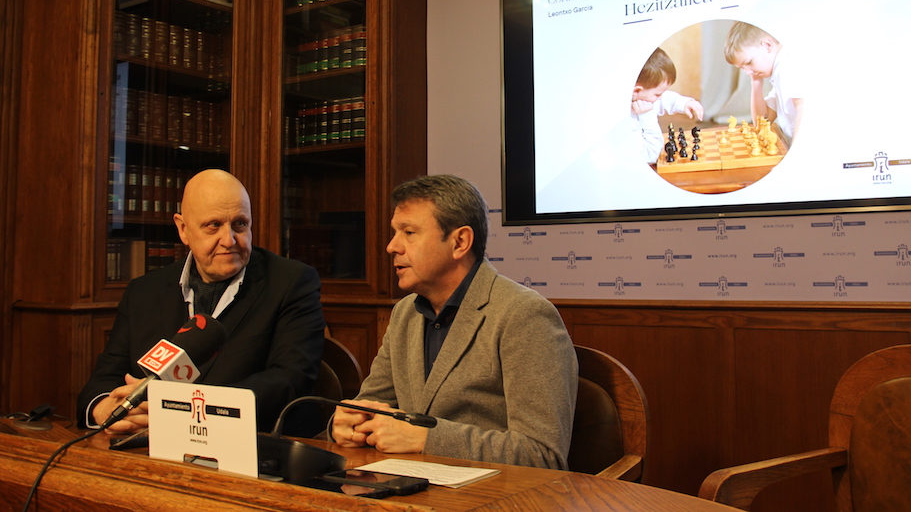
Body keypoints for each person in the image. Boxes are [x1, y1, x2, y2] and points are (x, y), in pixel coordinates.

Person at [330, 174, 578, 469]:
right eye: (395, 233)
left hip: (493, 491)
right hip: (407, 483)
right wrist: (346, 424)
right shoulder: (405, 313)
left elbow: (542, 455)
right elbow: (370, 406)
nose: (392, 246)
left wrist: (426, 438)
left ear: (460, 242)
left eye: (409, 232)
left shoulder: (524, 315)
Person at [77, 169, 325, 437]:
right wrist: (103, 408)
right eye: (213, 225)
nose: (229, 240)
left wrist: (180, 409)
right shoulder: (143, 292)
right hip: (150, 447)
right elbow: (103, 380)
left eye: (240, 224)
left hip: (256, 445)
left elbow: (290, 379)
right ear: (183, 229)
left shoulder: (292, 282)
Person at [723, 21, 804, 141]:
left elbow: (803, 107)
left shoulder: (787, 65)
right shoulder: (778, 71)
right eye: (743, 68)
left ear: (767, 45)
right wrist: (756, 82)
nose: (748, 72)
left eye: (749, 62)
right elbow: (762, 122)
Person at [631, 46, 704, 165]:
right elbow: (650, 155)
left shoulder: (640, 97)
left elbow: (665, 99)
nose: (660, 98)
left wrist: (686, 103)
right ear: (636, 91)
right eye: (657, 94)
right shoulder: (626, 122)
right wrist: (647, 115)